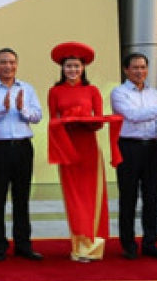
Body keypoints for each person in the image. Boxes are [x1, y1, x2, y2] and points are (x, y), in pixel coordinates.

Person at [111, 52, 157, 261]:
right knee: (128, 198)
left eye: (143, 67)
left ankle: (151, 242)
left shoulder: (154, 94)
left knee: (151, 198)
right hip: (128, 148)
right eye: (135, 67)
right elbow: (133, 116)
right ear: (126, 70)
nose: (140, 71)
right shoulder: (119, 93)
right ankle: (128, 244)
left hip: (152, 148)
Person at [0, 47, 44, 261]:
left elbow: (37, 116)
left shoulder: (27, 89)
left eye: (12, 62)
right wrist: (1, 110)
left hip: (23, 147)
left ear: (17, 65)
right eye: (3, 62)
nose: (8, 66)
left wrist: (22, 109)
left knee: (21, 198)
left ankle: (23, 244)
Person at [46, 42, 108, 262]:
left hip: (89, 146)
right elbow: (53, 121)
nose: (72, 70)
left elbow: (99, 120)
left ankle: (93, 246)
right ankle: (78, 246)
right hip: (67, 147)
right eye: (68, 66)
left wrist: (86, 121)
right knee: (73, 197)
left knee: (92, 195)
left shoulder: (92, 91)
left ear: (83, 68)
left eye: (76, 66)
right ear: (62, 69)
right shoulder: (54, 92)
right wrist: (66, 122)